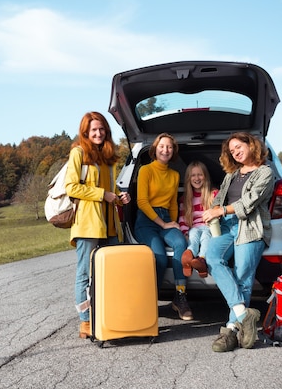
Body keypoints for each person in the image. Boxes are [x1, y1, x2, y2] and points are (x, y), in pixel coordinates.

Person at [202, 132, 274, 352]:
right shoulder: (231, 175)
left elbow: (249, 202)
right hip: (226, 226)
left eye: (238, 147)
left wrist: (221, 210)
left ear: (251, 145)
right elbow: (219, 199)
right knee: (213, 258)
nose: (236, 152)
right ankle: (245, 314)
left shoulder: (265, 172)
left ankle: (231, 331)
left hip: (250, 227)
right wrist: (212, 211)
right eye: (232, 151)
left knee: (243, 275)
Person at [65, 111, 131, 339]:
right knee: (84, 274)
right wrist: (104, 195)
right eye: (93, 130)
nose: (98, 133)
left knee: (110, 273)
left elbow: (111, 188)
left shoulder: (109, 156)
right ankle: (85, 321)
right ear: (85, 132)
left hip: (110, 223)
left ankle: (106, 315)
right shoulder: (78, 153)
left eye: (101, 129)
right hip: (88, 223)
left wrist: (120, 196)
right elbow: (71, 187)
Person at [134, 133, 192, 320]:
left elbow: (173, 203)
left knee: (180, 243)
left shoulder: (175, 175)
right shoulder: (146, 170)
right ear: (155, 149)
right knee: (158, 258)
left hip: (166, 218)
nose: (165, 150)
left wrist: (173, 223)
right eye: (162, 146)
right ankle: (151, 302)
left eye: (169, 147)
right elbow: (142, 202)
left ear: (173, 151)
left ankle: (180, 297)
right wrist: (164, 223)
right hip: (146, 220)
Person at [179, 161, 218, 278]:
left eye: (200, 174)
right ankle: (189, 256)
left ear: (205, 176)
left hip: (209, 227)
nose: (197, 178)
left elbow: (219, 213)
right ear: (188, 178)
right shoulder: (185, 199)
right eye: (193, 175)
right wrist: (184, 232)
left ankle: (201, 260)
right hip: (194, 227)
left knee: (206, 236)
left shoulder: (214, 194)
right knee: (193, 235)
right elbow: (183, 219)